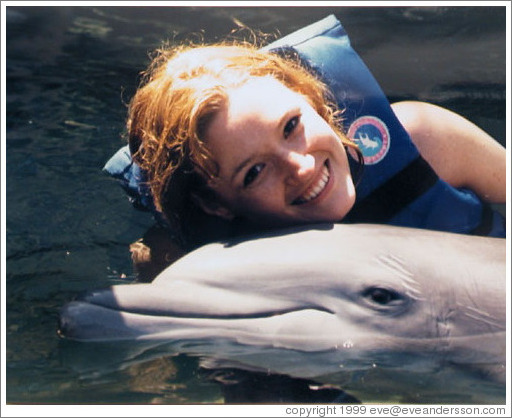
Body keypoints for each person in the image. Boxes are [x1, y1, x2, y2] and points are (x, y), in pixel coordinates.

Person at [105, 15, 506, 281]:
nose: (300, 167)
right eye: (254, 172)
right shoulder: (194, 267)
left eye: (291, 126)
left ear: (313, 102)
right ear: (215, 204)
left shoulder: (426, 140)